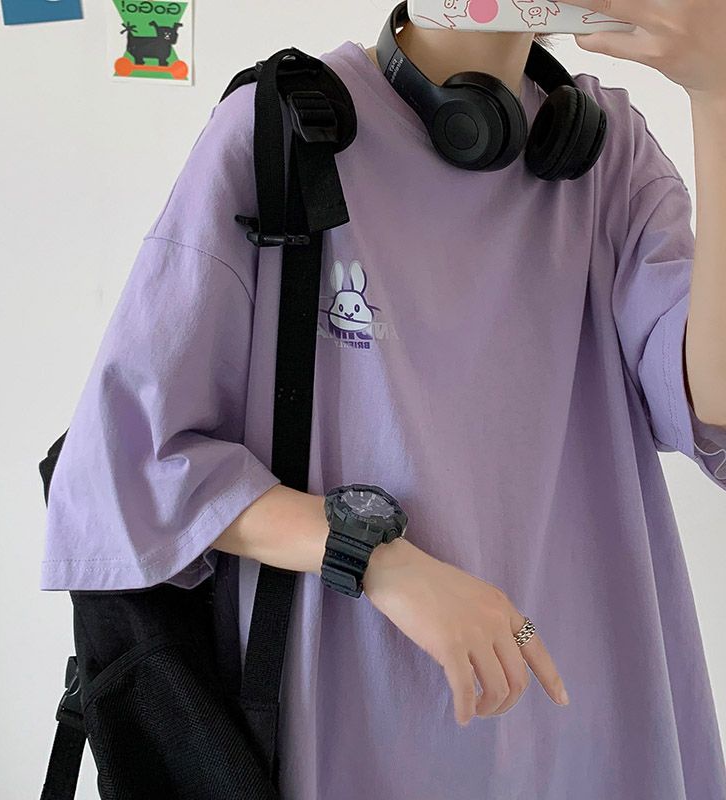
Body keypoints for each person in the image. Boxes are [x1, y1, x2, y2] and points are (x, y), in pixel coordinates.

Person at [41, 1, 726, 797]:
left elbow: (706, 404)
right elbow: (125, 464)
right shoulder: (281, 132)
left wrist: (716, 97)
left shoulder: (610, 154)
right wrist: (376, 560)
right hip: (360, 727)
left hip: (587, 721)